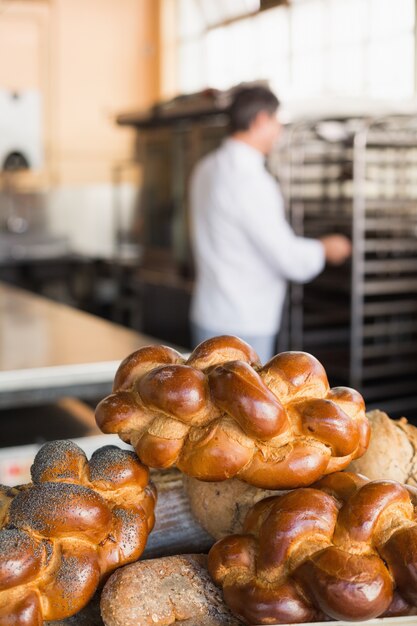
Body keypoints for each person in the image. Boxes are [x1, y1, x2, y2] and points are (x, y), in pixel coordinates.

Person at [189, 86, 351, 362]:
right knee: (244, 403)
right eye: (277, 121)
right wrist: (326, 248)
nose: (279, 130)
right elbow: (287, 257)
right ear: (261, 120)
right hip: (242, 323)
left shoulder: (206, 167)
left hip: (210, 312)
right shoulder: (251, 180)